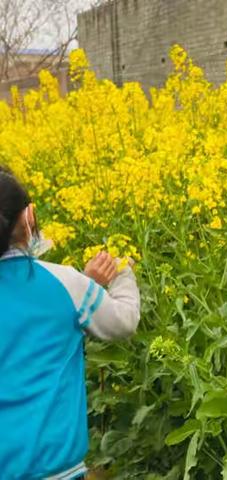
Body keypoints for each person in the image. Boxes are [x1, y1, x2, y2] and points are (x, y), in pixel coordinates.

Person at [0, 167, 141, 479]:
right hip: (57, 467)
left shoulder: (69, 285)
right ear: (29, 218)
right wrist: (122, 273)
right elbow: (124, 321)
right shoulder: (67, 284)